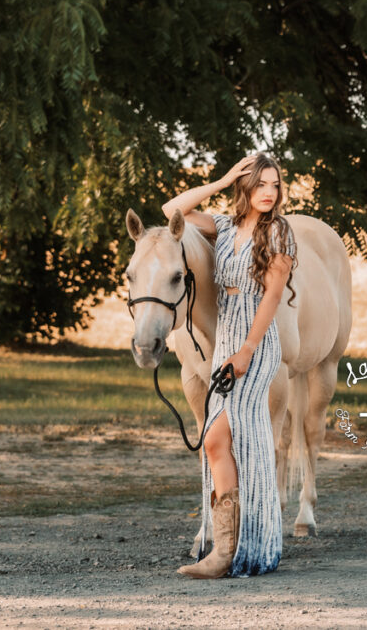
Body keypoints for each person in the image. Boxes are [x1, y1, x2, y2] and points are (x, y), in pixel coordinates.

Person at [160, 152, 298, 578]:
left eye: (275, 185)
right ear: (246, 186)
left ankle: (229, 553)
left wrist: (248, 350)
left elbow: (272, 297)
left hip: (254, 342)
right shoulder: (222, 226)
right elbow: (171, 212)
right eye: (261, 185)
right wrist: (220, 181)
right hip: (226, 340)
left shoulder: (279, 233)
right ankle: (231, 546)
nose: (269, 193)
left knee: (222, 435)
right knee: (219, 442)